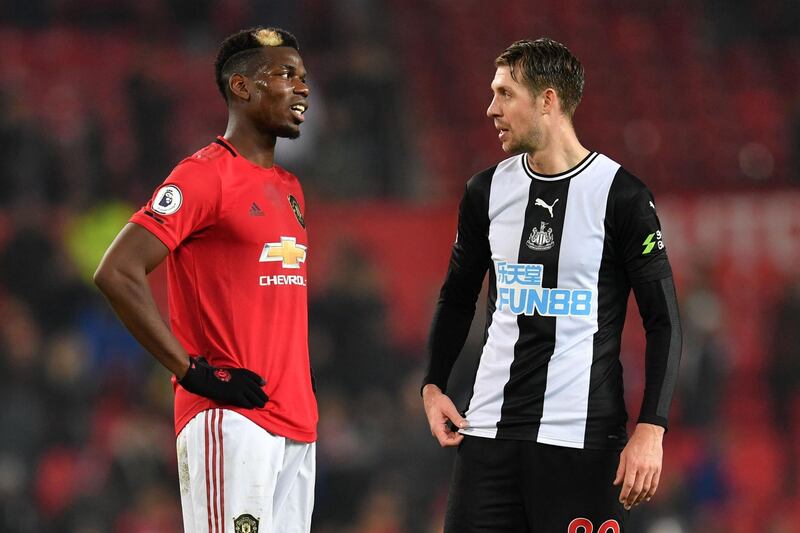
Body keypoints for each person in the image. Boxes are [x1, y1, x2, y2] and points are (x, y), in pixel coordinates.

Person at [421, 38, 682, 532]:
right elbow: (456, 295)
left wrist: (652, 427)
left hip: (582, 441)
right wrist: (432, 385)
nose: (490, 108)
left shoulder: (621, 196)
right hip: (488, 437)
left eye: (504, 94)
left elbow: (663, 319)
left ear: (547, 100)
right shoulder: (484, 191)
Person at [94, 27, 317, 533]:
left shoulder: (290, 190)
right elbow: (117, 271)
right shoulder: (204, 175)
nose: (303, 88)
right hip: (230, 418)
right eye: (285, 75)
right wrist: (193, 371)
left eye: (304, 77)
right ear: (242, 87)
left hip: (297, 424)